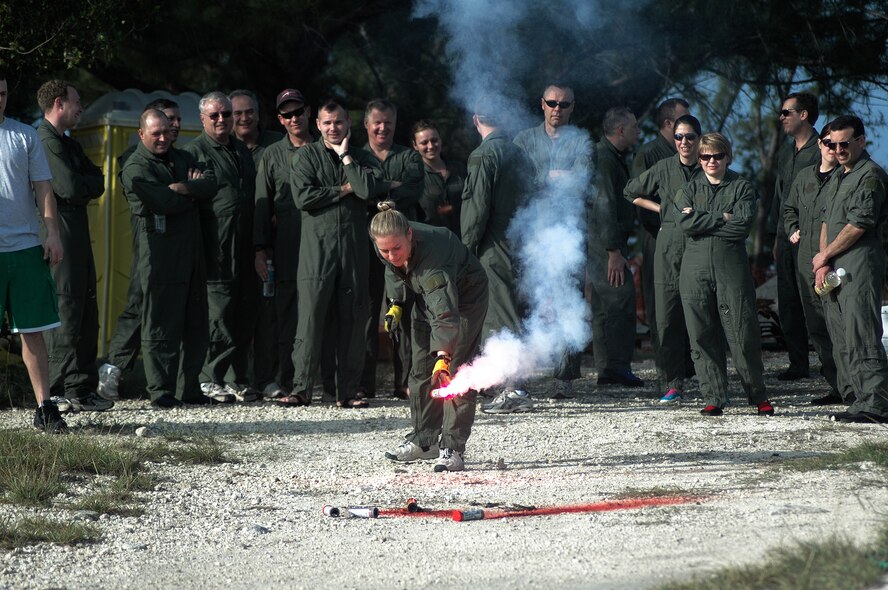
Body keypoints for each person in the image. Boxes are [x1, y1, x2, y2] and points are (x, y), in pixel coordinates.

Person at [375, 202, 488, 472]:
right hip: (426, 300)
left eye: (396, 249)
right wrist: (396, 303)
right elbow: (393, 271)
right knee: (421, 370)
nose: (391, 255)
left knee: (455, 374)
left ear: (410, 235)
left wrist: (443, 356)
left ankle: (452, 448)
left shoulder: (433, 262)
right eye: (384, 250)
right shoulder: (387, 242)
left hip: (464, 301)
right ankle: (425, 441)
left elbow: (445, 314)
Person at [120, 110, 219, 407]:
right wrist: (190, 195)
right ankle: (161, 390)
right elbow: (163, 202)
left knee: (195, 322)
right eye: (156, 134)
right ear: (142, 134)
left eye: (167, 132)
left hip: (191, 253)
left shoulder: (181, 158)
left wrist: (184, 188)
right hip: (160, 255)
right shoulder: (135, 167)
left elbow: (212, 183)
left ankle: (189, 388)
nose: (163, 138)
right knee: (161, 323)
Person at [289, 99, 383, 408]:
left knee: (354, 321)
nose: (333, 128)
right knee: (311, 319)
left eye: (339, 122)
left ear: (348, 124)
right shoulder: (305, 157)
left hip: (354, 249)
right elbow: (304, 197)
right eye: (327, 123)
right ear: (317, 124)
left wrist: (345, 157)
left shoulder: (362, 157)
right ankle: (302, 388)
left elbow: (368, 190)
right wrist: (342, 190)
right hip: (316, 251)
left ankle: (348, 391)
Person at [676, 133, 773, 416]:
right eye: (705, 156)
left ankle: (758, 396)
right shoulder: (689, 188)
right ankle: (714, 397)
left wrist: (701, 219)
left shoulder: (742, 187)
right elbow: (685, 224)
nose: (711, 161)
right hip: (694, 269)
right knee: (701, 334)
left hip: (731, 267)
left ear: (727, 156)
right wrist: (722, 217)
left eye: (717, 156)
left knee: (743, 332)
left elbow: (741, 227)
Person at [513, 82, 593, 399]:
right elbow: (518, 180)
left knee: (567, 303)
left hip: (568, 234)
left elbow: (584, 177)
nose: (557, 109)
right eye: (552, 103)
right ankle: (518, 373)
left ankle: (565, 378)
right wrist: (554, 177)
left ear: (573, 107)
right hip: (529, 233)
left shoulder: (583, 140)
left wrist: (550, 179)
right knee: (522, 301)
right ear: (542, 104)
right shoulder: (523, 141)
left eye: (564, 104)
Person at [99, 98, 182, 401]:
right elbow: (158, 196)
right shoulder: (135, 159)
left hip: (173, 247)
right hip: (148, 241)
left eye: (175, 121)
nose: (172, 127)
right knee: (140, 304)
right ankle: (113, 368)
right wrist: (175, 190)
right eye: (166, 120)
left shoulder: (177, 156)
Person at [37, 79, 111, 413]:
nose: (81, 107)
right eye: (77, 100)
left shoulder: (69, 143)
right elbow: (68, 187)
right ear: (58, 103)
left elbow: (99, 180)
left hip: (78, 230)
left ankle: (81, 387)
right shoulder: (45, 140)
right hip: (60, 229)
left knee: (87, 307)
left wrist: (85, 182)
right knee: (66, 306)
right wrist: (85, 183)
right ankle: (54, 389)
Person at [0, 73, 67, 432]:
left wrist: (52, 233)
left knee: (33, 330)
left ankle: (45, 407)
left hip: (25, 245)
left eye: (2, 93)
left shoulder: (24, 135)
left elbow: (43, 188)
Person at [183, 91, 259, 403]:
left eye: (226, 114)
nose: (221, 120)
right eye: (214, 115)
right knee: (218, 313)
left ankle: (235, 378)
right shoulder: (194, 152)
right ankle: (208, 377)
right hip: (216, 243)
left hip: (244, 242)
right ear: (202, 119)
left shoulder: (241, 150)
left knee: (242, 311)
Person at [460, 99, 534, 414]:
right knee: (512, 309)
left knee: (501, 316)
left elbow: (476, 210)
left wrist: (465, 249)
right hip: (522, 242)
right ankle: (509, 384)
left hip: (494, 245)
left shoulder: (482, 155)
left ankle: (514, 388)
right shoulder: (520, 154)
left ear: (476, 120)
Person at [814, 115, 888, 424]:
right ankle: (859, 399)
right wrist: (822, 260)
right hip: (833, 265)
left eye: (845, 143)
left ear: (861, 141)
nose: (838, 149)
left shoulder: (870, 175)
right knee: (842, 334)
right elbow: (828, 222)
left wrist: (826, 254)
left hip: (858, 264)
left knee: (862, 331)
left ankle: (877, 403)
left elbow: (858, 223)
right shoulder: (837, 177)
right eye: (832, 144)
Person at [624, 114, 703, 403]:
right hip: (668, 246)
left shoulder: (709, 164)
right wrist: (661, 208)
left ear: (699, 139)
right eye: (679, 137)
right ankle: (672, 383)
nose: (683, 142)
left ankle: (710, 380)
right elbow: (631, 191)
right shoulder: (663, 167)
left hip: (701, 244)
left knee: (702, 314)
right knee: (667, 315)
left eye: (690, 137)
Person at [360, 100, 424, 400]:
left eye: (388, 122)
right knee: (368, 314)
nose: (382, 127)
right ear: (366, 125)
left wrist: (374, 188)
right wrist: (388, 187)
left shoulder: (409, 157)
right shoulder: (356, 156)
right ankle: (364, 383)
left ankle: (406, 382)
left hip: (400, 253)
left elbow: (413, 189)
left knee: (406, 315)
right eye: (377, 122)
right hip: (365, 249)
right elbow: (359, 190)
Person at [253, 89, 313, 403]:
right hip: (288, 247)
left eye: (298, 112)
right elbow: (262, 206)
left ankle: (321, 381)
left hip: (321, 244)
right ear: (279, 119)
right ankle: (286, 380)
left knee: (323, 313)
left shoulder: (326, 147)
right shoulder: (272, 154)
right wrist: (260, 249)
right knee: (286, 316)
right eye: (286, 114)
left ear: (308, 112)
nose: (293, 119)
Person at [782, 123, 848, 406]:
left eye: (837, 144)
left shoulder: (846, 178)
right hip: (805, 260)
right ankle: (836, 386)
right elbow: (788, 208)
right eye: (826, 143)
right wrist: (792, 227)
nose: (831, 149)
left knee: (840, 325)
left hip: (835, 260)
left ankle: (852, 386)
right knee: (817, 326)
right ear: (819, 144)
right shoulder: (803, 177)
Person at [589, 107, 644, 387]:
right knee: (620, 300)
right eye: (634, 126)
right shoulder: (605, 160)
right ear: (620, 130)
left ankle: (608, 368)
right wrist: (613, 251)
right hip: (605, 242)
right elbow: (605, 204)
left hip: (605, 239)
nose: (638, 131)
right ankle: (616, 367)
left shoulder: (611, 157)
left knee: (603, 306)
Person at [769, 92, 821, 381]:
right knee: (788, 302)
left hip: (812, 237)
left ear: (803, 115)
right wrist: (774, 237)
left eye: (786, 112)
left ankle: (831, 365)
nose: (781, 117)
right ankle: (798, 364)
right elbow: (778, 196)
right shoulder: (785, 152)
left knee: (816, 301)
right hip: (785, 237)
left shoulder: (822, 149)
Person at [412, 119, 466, 236]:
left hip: (465, 241)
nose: (430, 146)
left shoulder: (460, 169)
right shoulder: (413, 177)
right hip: (433, 245)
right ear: (415, 145)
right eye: (424, 142)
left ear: (440, 140)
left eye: (434, 140)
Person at [229, 89, 283, 165]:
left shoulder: (278, 142)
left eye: (249, 112)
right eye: (238, 113)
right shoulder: (224, 147)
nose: (244, 118)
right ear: (229, 117)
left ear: (258, 114)